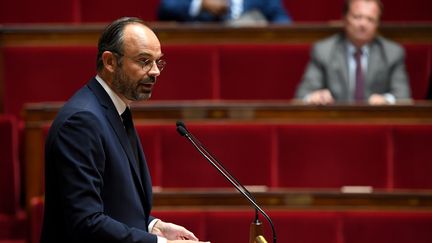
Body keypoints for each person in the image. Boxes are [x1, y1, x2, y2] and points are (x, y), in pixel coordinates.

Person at [41, 17, 209, 243]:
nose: (155, 71)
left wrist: (153, 226)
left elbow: (114, 202)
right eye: (144, 61)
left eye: (158, 62)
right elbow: (85, 222)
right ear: (110, 62)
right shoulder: (82, 121)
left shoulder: (115, 109)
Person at [295, 0, 411, 105]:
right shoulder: (323, 51)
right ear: (344, 19)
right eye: (357, 17)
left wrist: (386, 100)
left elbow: (404, 99)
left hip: (376, 123)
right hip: (335, 121)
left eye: (370, 19)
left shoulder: (392, 53)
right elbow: (301, 98)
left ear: (377, 24)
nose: (363, 24)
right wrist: (314, 97)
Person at [157, 0, 292, 25]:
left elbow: (282, 20)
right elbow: (166, 7)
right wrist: (200, 4)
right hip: (202, 41)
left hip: (244, 47)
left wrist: (265, 32)